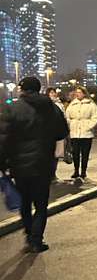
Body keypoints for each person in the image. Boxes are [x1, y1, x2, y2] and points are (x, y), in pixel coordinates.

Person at [0, 76, 68, 253]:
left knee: (25, 202)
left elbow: (4, 138)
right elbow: (62, 132)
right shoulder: (50, 108)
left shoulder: (13, 108)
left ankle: (29, 234)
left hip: (19, 164)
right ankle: (37, 239)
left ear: (22, 89)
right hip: (43, 162)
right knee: (40, 203)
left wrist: (2, 161)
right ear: (39, 89)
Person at [66, 86, 97, 182]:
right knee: (75, 152)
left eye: (79, 92)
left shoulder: (91, 105)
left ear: (84, 94)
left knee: (85, 153)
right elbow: (67, 117)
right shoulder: (72, 105)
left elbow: (95, 117)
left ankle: (83, 171)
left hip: (86, 133)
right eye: (76, 92)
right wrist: (71, 126)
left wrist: (89, 126)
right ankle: (76, 170)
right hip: (75, 132)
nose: (77, 94)